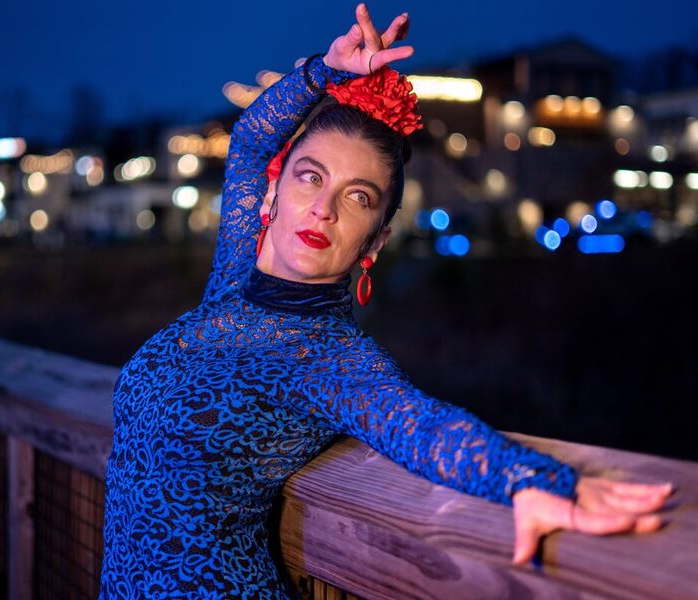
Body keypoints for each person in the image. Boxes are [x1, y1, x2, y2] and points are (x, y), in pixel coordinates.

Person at [98, 4, 673, 598]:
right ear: (273, 190)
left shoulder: (327, 356)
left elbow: (422, 426)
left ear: (375, 240)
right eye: (311, 177)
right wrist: (326, 72)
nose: (323, 209)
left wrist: (533, 480)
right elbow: (249, 138)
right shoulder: (232, 281)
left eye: (359, 197)